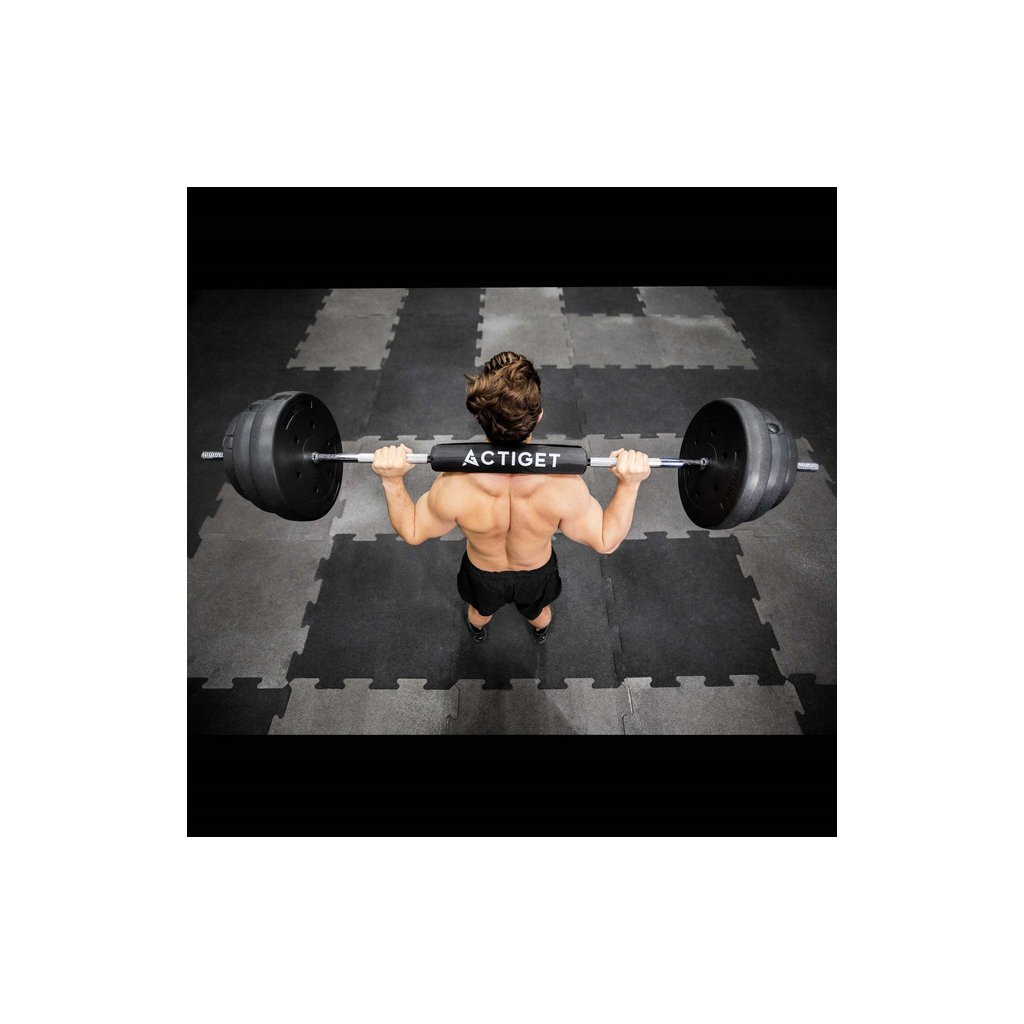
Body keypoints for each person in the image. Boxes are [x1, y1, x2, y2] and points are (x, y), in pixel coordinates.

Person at [371, 351, 650, 643]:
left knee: (478, 613)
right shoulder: (564, 487)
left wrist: (392, 480)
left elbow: (413, 530)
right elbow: (606, 540)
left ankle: (478, 630)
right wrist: (629, 484)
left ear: (479, 417)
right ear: (539, 415)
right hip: (536, 573)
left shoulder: (453, 485)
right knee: (540, 613)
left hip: (482, 574)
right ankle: (540, 631)